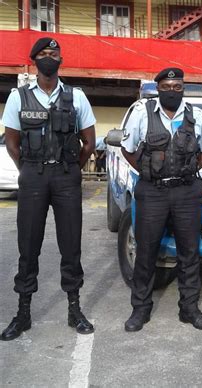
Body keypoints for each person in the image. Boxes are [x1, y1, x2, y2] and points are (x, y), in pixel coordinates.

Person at [1, 37, 96, 341]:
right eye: (44, 54)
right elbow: (12, 144)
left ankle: (74, 309)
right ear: (34, 60)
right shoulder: (19, 97)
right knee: (28, 246)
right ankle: (23, 312)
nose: (49, 57)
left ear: (60, 60)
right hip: (33, 177)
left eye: (54, 53)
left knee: (71, 245)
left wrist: (69, 170)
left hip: (66, 176)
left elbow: (89, 142)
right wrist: (29, 171)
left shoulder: (76, 97)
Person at [121, 67, 202, 332]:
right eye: (166, 87)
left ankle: (190, 309)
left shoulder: (195, 115)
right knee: (146, 251)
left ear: (183, 88)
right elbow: (128, 150)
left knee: (189, 252)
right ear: (157, 88)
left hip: (186, 192)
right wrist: (148, 170)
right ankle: (140, 310)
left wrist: (182, 172)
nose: (172, 91)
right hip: (152, 192)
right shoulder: (142, 112)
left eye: (177, 86)